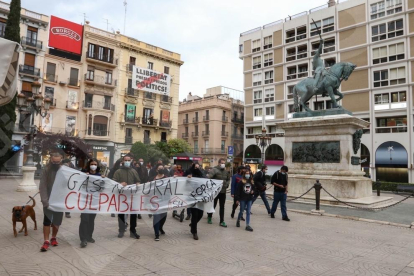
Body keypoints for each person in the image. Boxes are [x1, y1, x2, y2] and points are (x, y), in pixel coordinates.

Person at [39, 152, 64, 252]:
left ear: (61, 160)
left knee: (57, 221)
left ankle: (53, 237)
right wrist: (45, 201)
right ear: (51, 160)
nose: (56, 163)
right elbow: (43, 186)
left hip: (60, 201)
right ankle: (46, 241)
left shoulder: (64, 170)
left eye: (58, 162)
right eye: (54, 162)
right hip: (48, 200)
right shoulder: (46, 170)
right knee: (47, 222)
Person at [113, 155, 141, 238]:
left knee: (133, 214)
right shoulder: (118, 172)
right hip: (122, 196)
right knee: (121, 214)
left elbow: (138, 180)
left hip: (132, 196)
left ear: (131, 161)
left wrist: (138, 183)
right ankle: (121, 230)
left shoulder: (134, 171)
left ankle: (133, 231)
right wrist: (120, 184)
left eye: (129, 160)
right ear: (122, 161)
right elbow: (113, 182)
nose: (127, 162)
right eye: (126, 160)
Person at [79, 159, 102, 248]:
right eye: (92, 164)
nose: (93, 165)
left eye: (95, 164)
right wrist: (84, 177)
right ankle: (83, 239)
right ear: (89, 165)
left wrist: (103, 180)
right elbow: (79, 185)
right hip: (85, 201)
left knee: (91, 220)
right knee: (84, 219)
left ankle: (89, 236)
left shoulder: (99, 175)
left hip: (94, 201)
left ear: (97, 165)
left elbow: (102, 188)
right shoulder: (84, 174)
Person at [207, 158, 230, 227]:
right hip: (215, 191)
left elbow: (228, 179)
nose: (223, 164)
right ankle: (209, 217)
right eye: (222, 163)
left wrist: (227, 184)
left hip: (223, 191)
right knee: (213, 205)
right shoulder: (214, 170)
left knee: (222, 206)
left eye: (224, 163)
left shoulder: (226, 172)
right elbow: (209, 178)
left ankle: (222, 221)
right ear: (219, 163)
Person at [186, 163, 205, 240]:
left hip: (200, 197)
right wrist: (188, 178)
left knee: (200, 214)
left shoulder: (201, 174)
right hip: (192, 197)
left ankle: (192, 225)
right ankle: (194, 232)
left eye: (198, 167)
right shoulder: (189, 173)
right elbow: (184, 182)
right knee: (195, 215)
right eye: (195, 167)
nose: (197, 168)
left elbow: (205, 180)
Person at [152, 164, 168, 241]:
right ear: (156, 170)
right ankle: (156, 233)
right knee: (156, 217)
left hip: (164, 200)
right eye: (159, 168)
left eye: (162, 168)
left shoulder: (167, 178)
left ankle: (160, 227)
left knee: (163, 217)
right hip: (155, 201)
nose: (161, 169)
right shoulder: (153, 179)